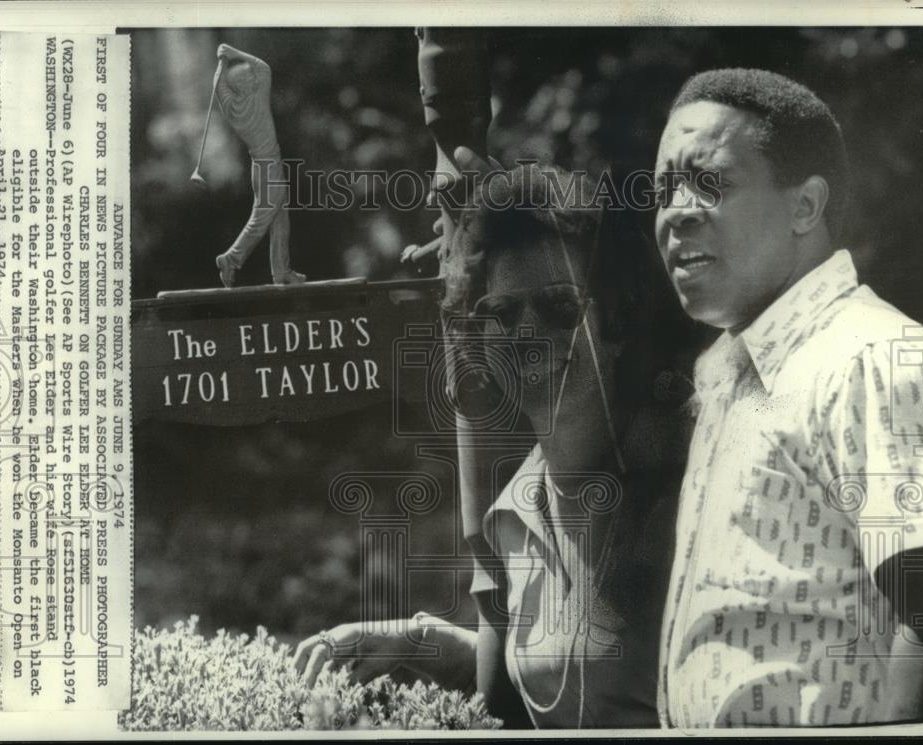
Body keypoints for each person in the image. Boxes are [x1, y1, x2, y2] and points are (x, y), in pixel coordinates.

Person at [294, 162, 691, 728]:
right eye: (503, 314)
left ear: (618, 321)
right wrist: (420, 638)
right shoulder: (511, 511)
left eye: (559, 309)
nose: (526, 336)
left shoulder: (683, 484)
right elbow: (544, 682)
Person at [652, 68, 923, 728]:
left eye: (710, 181)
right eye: (662, 188)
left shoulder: (868, 358)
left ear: (805, 207)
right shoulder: (724, 373)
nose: (674, 210)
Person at [213, 43, 306, 287]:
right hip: (269, 166)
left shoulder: (232, 107)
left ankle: (281, 271)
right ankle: (231, 258)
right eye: (249, 77)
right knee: (263, 217)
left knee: (280, 218)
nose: (254, 78)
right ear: (245, 83)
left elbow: (219, 87)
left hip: (259, 166)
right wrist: (232, 54)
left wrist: (221, 65)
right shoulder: (258, 97)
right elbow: (263, 67)